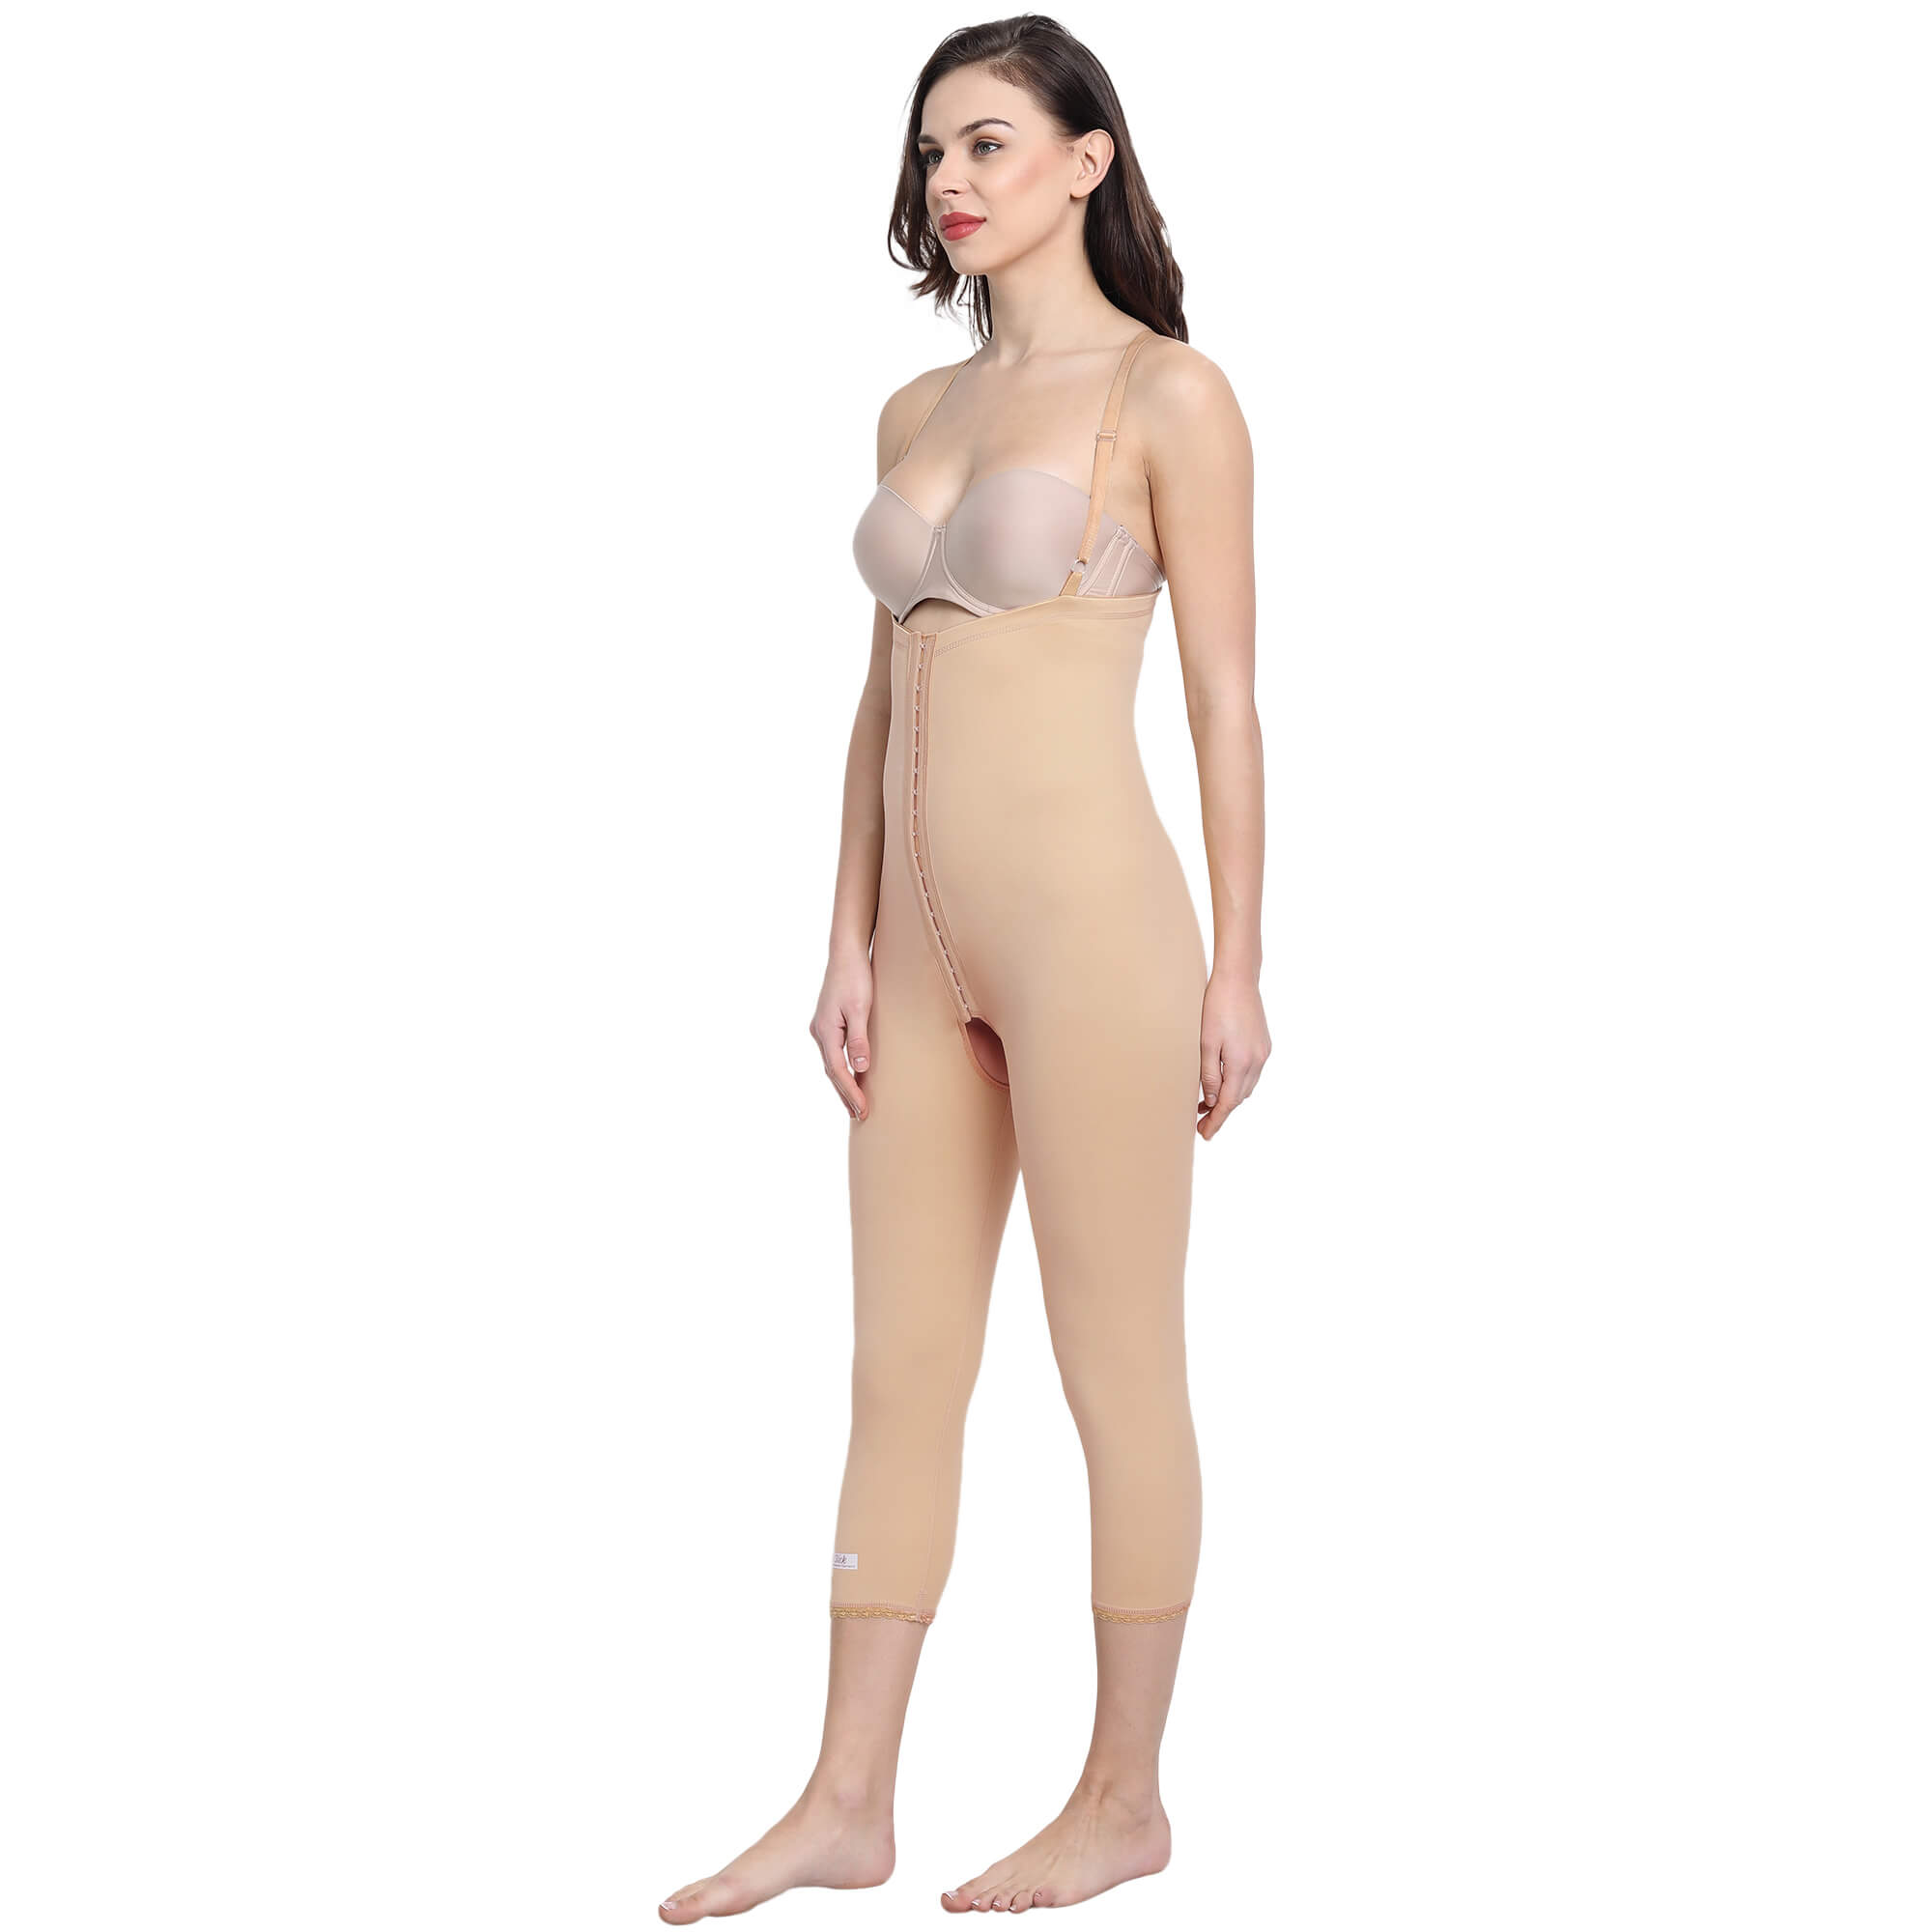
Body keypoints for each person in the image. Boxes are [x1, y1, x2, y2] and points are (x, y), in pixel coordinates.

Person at [662, 16, 1267, 1921]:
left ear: (1088, 159)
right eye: (934, 148)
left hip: (1097, 934)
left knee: (1114, 1361)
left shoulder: (1169, 395)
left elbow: (1226, 699)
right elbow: (879, 695)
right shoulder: (912, 413)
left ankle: (1123, 1796)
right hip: (913, 960)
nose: (952, 178)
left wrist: (1242, 967)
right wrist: (841, 933)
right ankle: (847, 1798)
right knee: (900, 1366)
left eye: (991, 141)